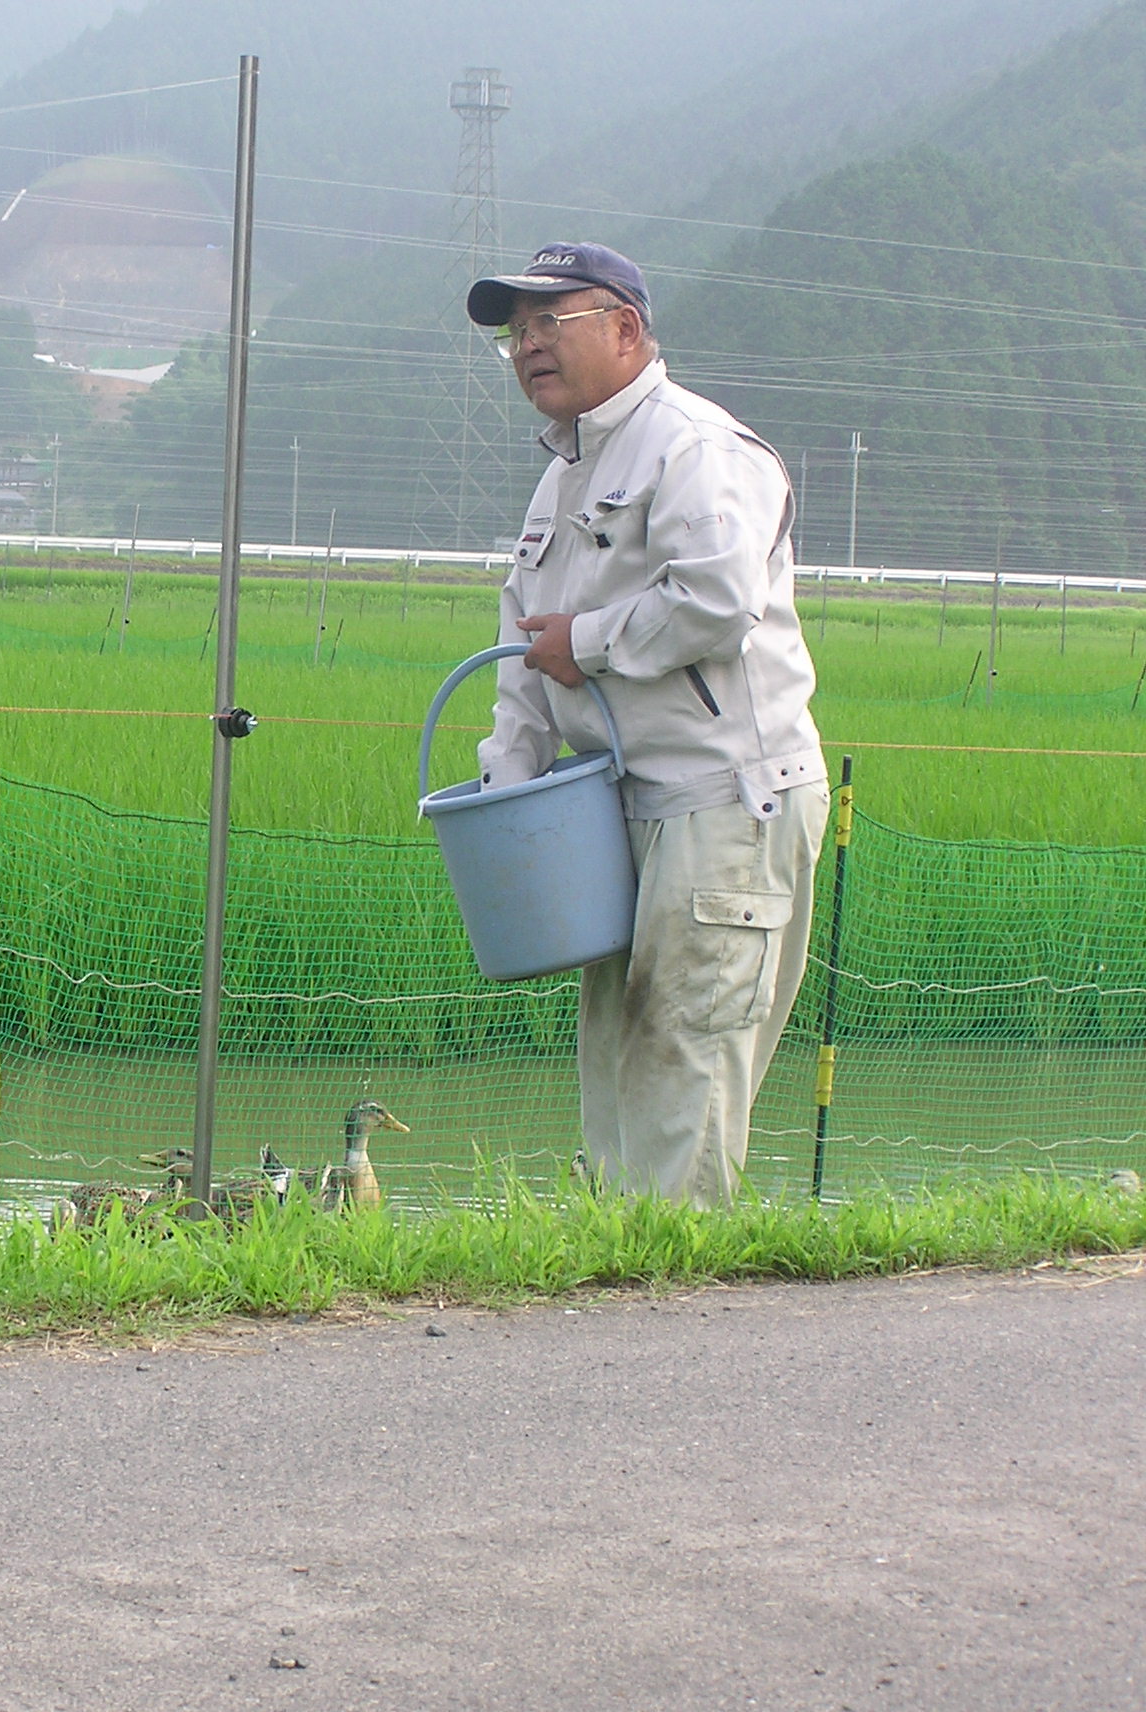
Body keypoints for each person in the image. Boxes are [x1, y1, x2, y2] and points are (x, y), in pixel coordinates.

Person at [464, 242, 829, 1206]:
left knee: (686, 1039)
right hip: (611, 811)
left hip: (724, 799)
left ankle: (682, 1289)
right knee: (619, 1039)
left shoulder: (696, 447)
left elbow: (715, 600)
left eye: (552, 322)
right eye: (516, 330)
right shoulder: (563, 474)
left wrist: (583, 641)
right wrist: (505, 788)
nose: (528, 346)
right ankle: (623, 1269)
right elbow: (523, 650)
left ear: (626, 329)